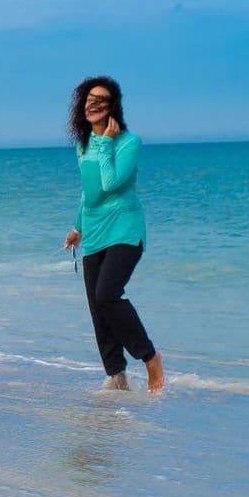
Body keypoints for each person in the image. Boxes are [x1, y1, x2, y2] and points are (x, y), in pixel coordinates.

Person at [63, 76, 165, 393]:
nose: (93, 104)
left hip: (124, 228)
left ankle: (149, 357)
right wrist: (78, 226)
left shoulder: (129, 143)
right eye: (89, 99)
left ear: (113, 106)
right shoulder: (82, 145)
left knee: (107, 294)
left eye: (101, 100)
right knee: (97, 306)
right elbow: (89, 192)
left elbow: (110, 183)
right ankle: (116, 376)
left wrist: (106, 143)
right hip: (93, 231)